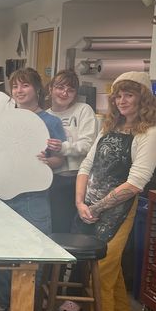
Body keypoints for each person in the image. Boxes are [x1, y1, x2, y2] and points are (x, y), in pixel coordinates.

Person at [73, 71, 156, 311]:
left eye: (129, 94)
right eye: (118, 95)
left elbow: (136, 183)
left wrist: (97, 207)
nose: (122, 101)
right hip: (88, 207)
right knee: (110, 269)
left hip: (117, 212)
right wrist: (79, 201)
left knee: (100, 272)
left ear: (143, 98)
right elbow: (87, 165)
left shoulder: (151, 133)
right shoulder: (110, 126)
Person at [0, 67, 66, 311]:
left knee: (33, 250)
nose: (19, 91)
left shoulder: (50, 122)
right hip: (3, 194)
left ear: (37, 89)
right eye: (15, 87)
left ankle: (23, 305)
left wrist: (46, 160)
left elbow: (58, 161)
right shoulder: (3, 119)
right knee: (0, 248)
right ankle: (0, 299)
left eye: (25, 86)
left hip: (34, 196)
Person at [47, 70, 98, 235]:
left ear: (76, 93)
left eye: (70, 90)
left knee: (75, 229)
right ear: (50, 89)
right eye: (60, 87)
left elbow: (88, 144)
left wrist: (62, 147)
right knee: (56, 227)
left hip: (77, 180)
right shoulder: (45, 116)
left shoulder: (83, 110)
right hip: (52, 180)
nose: (64, 93)